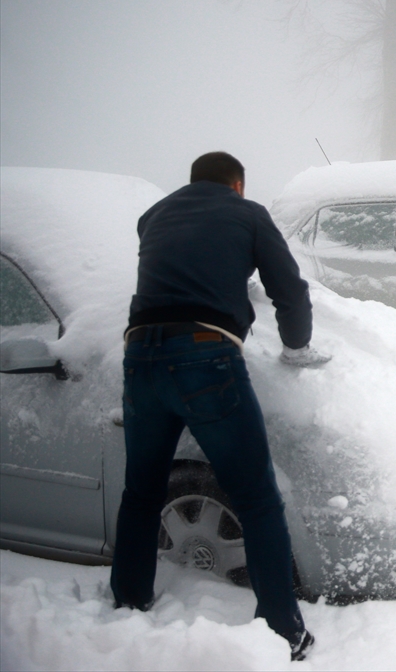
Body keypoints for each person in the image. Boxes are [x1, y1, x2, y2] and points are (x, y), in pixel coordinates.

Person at [111, 152, 330, 661]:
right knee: (256, 498)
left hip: (141, 358)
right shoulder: (248, 213)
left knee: (141, 493)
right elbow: (289, 291)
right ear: (237, 185)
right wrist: (296, 347)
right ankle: (283, 631)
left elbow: (184, 263)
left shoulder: (154, 216)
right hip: (205, 358)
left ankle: (128, 601)